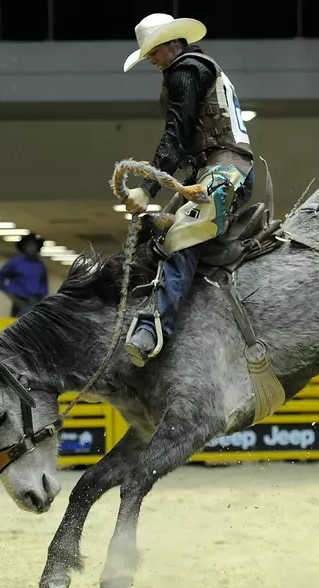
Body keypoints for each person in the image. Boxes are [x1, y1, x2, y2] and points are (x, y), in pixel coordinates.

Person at [120, 12, 256, 367]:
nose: (151, 59)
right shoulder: (200, 68)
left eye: (153, 52)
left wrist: (148, 188)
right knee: (158, 238)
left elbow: (176, 135)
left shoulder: (185, 71)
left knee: (181, 236)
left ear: (172, 44)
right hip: (216, 169)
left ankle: (153, 329)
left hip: (224, 170)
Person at [0, 233, 48, 318]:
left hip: (36, 301)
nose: (31, 248)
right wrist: (8, 291)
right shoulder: (15, 262)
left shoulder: (40, 265)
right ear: (24, 247)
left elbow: (44, 283)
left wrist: (43, 296)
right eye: (29, 245)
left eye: (34, 245)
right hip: (20, 301)